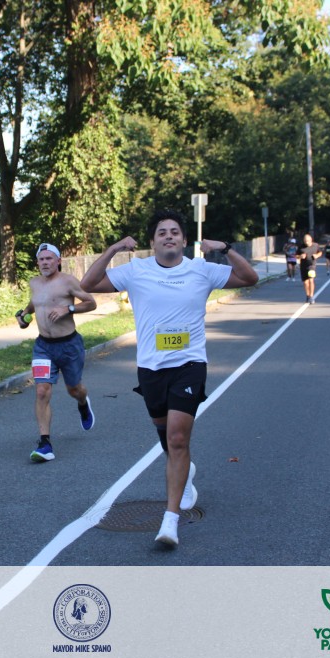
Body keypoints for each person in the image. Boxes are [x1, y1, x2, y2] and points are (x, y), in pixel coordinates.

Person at [80, 210, 258, 547]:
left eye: (175, 231)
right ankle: (185, 471)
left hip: (189, 364)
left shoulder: (201, 269)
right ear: (153, 242)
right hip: (151, 368)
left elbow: (249, 278)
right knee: (166, 436)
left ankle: (170, 520)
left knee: (177, 439)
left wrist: (225, 248)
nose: (169, 236)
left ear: (184, 240)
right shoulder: (136, 271)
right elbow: (87, 285)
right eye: (162, 232)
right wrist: (114, 248)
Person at [16, 243, 98, 462]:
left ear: (58, 261)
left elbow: (91, 303)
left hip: (69, 345)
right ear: (37, 262)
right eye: (41, 259)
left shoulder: (68, 281)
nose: (45, 262)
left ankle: (83, 403)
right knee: (41, 391)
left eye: (49, 258)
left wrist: (68, 308)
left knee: (74, 389)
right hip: (43, 347)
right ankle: (45, 444)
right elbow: (35, 302)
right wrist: (24, 315)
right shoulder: (34, 282)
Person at [297, 233, 322, 304]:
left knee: (311, 280)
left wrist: (317, 255)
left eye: (307, 241)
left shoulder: (315, 245)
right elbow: (296, 255)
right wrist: (300, 256)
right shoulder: (301, 247)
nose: (306, 242)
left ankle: (311, 296)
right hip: (303, 266)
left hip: (312, 265)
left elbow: (320, 252)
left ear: (311, 240)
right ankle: (308, 296)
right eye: (305, 241)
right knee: (305, 282)